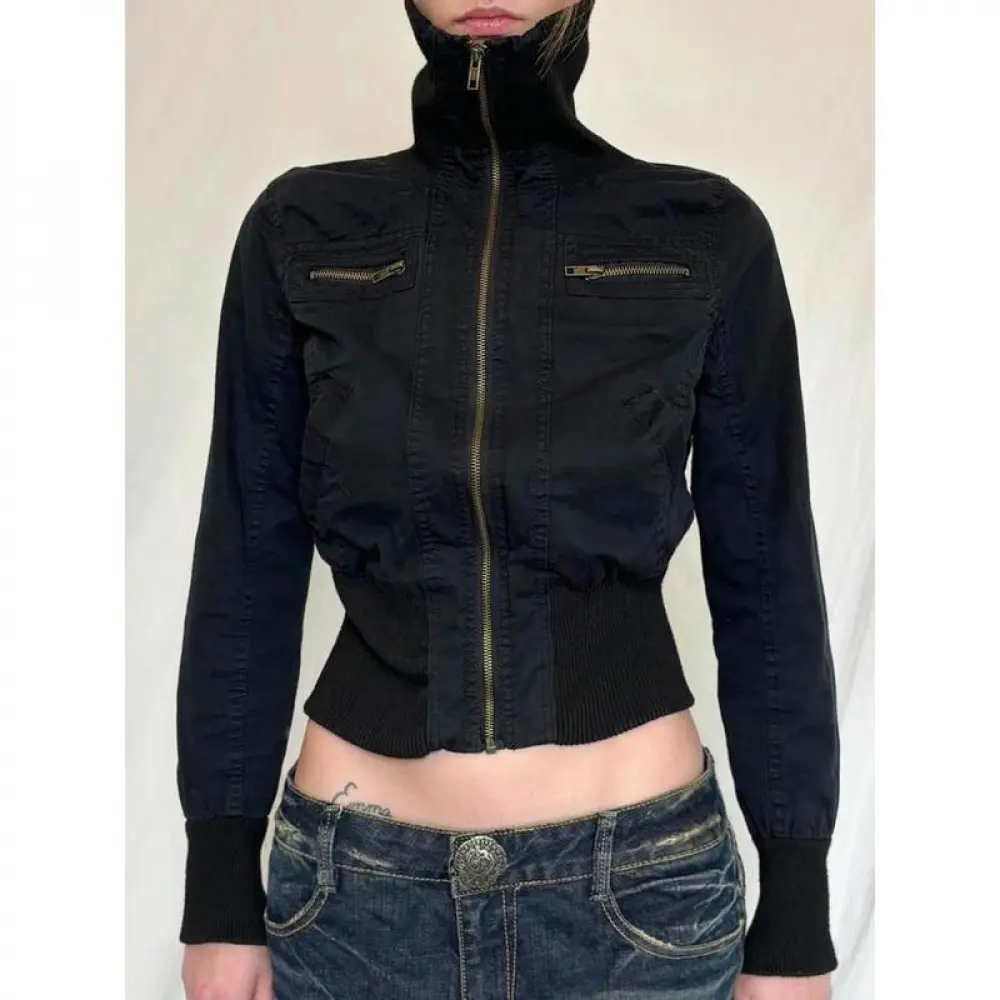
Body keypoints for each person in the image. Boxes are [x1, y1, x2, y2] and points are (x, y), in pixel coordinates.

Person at [176, 2, 841, 998]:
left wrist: (795, 903)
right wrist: (218, 889)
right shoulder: (301, 230)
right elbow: (245, 564)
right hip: (354, 903)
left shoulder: (703, 232)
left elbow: (768, 575)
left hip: (641, 900)